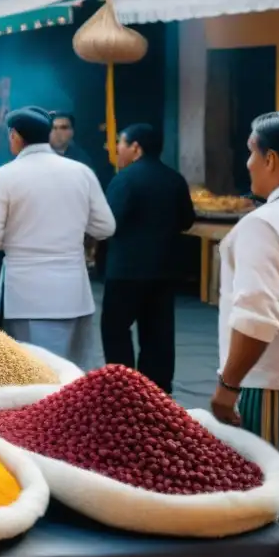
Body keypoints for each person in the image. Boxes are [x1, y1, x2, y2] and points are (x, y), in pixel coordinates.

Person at [0, 106, 115, 367]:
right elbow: (105, 227)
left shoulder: (4, 176)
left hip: (27, 294)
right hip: (74, 293)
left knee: (36, 377)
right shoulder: (81, 172)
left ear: (15, 136)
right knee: (73, 378)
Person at [212, 111, 279, 525]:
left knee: (275, 505)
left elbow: (257, 319)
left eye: (250, 152)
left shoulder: (265, 224)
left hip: (274, 386)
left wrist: (228, 386)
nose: (246, 163)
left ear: (271, 160)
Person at [101, 124, 195, 393]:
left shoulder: (125, 179)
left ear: (136, 147)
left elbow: (110, 222)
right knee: (158, 334)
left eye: (120, 143)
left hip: (126, 271)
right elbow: (187, 220)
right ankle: (156, 392)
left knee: (116, 330)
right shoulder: (174, 178)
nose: (116, 148)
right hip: (164, 270)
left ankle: (123, 388)